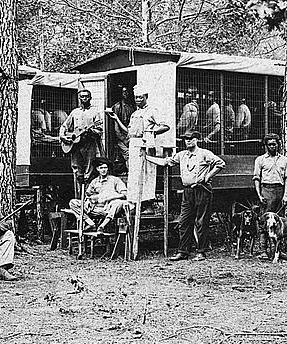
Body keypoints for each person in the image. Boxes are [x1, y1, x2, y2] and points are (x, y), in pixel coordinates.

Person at [146, 130, 225, 261]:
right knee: (184, 222)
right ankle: (183, 252)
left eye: (191, 138)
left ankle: (201, 252)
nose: (188, 141)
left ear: (197, 140)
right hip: (188, 191)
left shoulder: (204, 153)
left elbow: (220, 164)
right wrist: (147, 158)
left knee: (201, 221)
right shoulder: (181, 155)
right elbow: (166, 162)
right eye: (186, 139)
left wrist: (207, 176)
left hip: (202, 190)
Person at [108, 85, 169, 203]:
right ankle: (135, 202)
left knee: (147, 174)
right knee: (134, 174)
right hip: (133, 146)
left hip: (145, 146)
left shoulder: (152, 111)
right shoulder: (135, 113)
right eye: (136, 97)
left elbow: (165, 126)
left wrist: (151, 132)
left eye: (140, 97)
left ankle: (147, 203)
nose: (138, 100)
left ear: (146, 97)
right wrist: (116, 119)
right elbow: (128, 131)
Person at [60, 89, 103, 190]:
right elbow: (64, 126)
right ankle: (78, 199)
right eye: (82, 97)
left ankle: (88, 199)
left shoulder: (94, 112)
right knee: (77, 172)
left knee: (89, 171)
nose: (84, 98)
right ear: (79, 98)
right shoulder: (75, 112)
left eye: (86, 96)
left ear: (90, 98)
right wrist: (63, 136)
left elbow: (99, 130)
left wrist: (91, 131)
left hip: (89, 144)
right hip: (75, 146)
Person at [68, 157, 127, 232]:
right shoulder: (94, 182)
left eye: (105, 167)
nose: (103, 170)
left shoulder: (115, 180)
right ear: (97, 169)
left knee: (118, 203)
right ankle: (90, 223)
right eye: (101, 168)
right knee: (73, 202)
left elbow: (124, 194)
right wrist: (91, 199)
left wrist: (110, 197)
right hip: (95, 208)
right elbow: (88, 195)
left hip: (108, 208)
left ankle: (102, 226)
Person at [253, 133, 287, 213]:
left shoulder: (284, 160)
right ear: (266, 146)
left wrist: (285, 195)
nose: (272, 147)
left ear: (278, 144)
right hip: (267, 190)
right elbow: (257, 178)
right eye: (269, 144)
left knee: (279, 218)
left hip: (279, 191)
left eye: (274, 144)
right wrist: (259, 195)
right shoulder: (260, 160)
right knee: (266, 217)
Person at [110, 86, 136, 173]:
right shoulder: (117, 107)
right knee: (128, 155)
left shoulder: (132, 106)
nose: (126, 94)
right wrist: (123, 139)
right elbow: (116, 127)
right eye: (124, 92)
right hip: (121, 138)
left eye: (127, 92)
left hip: (130, 135)